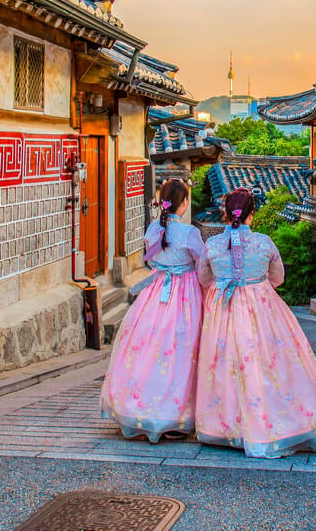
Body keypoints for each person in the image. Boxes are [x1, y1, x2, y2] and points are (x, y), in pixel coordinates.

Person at [195, 187, 316, 458]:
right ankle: (271, 423)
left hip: (223, 309)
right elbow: (278, 277)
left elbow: (203, 278)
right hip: (261, 308)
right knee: (267, 363)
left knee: (225, 363)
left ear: (225, 213)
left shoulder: (212, 245)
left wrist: (224, 284)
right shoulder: (264, 242)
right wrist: (255, 286)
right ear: (252, 214)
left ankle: (225, 427)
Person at [101, 178, 206, 442]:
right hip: (184, 295)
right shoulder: (189, 233)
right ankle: (175, 415)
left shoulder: (152, 230)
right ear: (183, 203)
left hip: (156, 292)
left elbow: (153, 259)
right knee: (181, 350)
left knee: (150, 349)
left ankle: (140, 405)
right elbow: (202, 265)